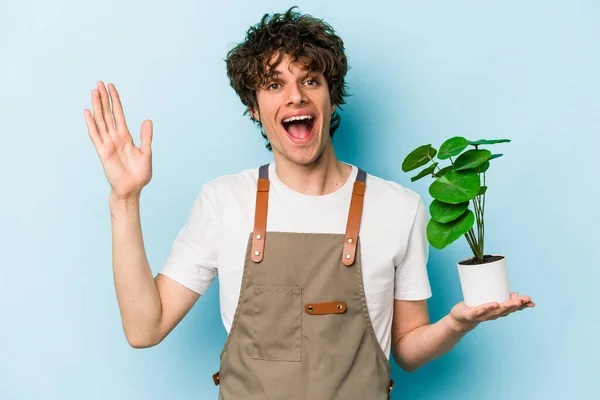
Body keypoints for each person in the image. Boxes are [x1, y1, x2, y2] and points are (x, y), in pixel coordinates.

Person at [83, 7, 534, 399]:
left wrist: (458, 322)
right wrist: (125, 199)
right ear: (254, 109)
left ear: (330, 95)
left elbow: (408, 349)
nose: (295, 95)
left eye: (310, 80)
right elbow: (145, 328)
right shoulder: (224, 201)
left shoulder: (400, 208)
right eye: (274, 85)